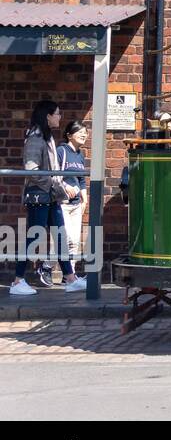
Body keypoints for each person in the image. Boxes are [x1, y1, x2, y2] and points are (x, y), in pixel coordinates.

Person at [9, 101, 84, 296]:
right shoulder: (35, 138)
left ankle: (70, 278)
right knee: (33, 237)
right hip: (39, 195)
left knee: (60, 236)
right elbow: (33, 170)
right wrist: (57, 184)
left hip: (50, 196)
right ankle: (18, 281)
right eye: (57, 114)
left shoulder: (46, 136)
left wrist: (59, 186)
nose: (60, 117)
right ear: (47, 116)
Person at [55, 121, 88, 276]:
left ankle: (70, 276)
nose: (84, 135)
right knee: (65, 238)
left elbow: (81, 179)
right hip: (62, 202)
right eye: (80, 132)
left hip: (76, 205)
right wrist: (65, 185)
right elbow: (53, 174)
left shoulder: (80, 154)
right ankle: (46, 266)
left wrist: (85, 199)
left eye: (85, 132)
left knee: (74, 241)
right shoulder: (61, 151)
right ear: (69, 135)